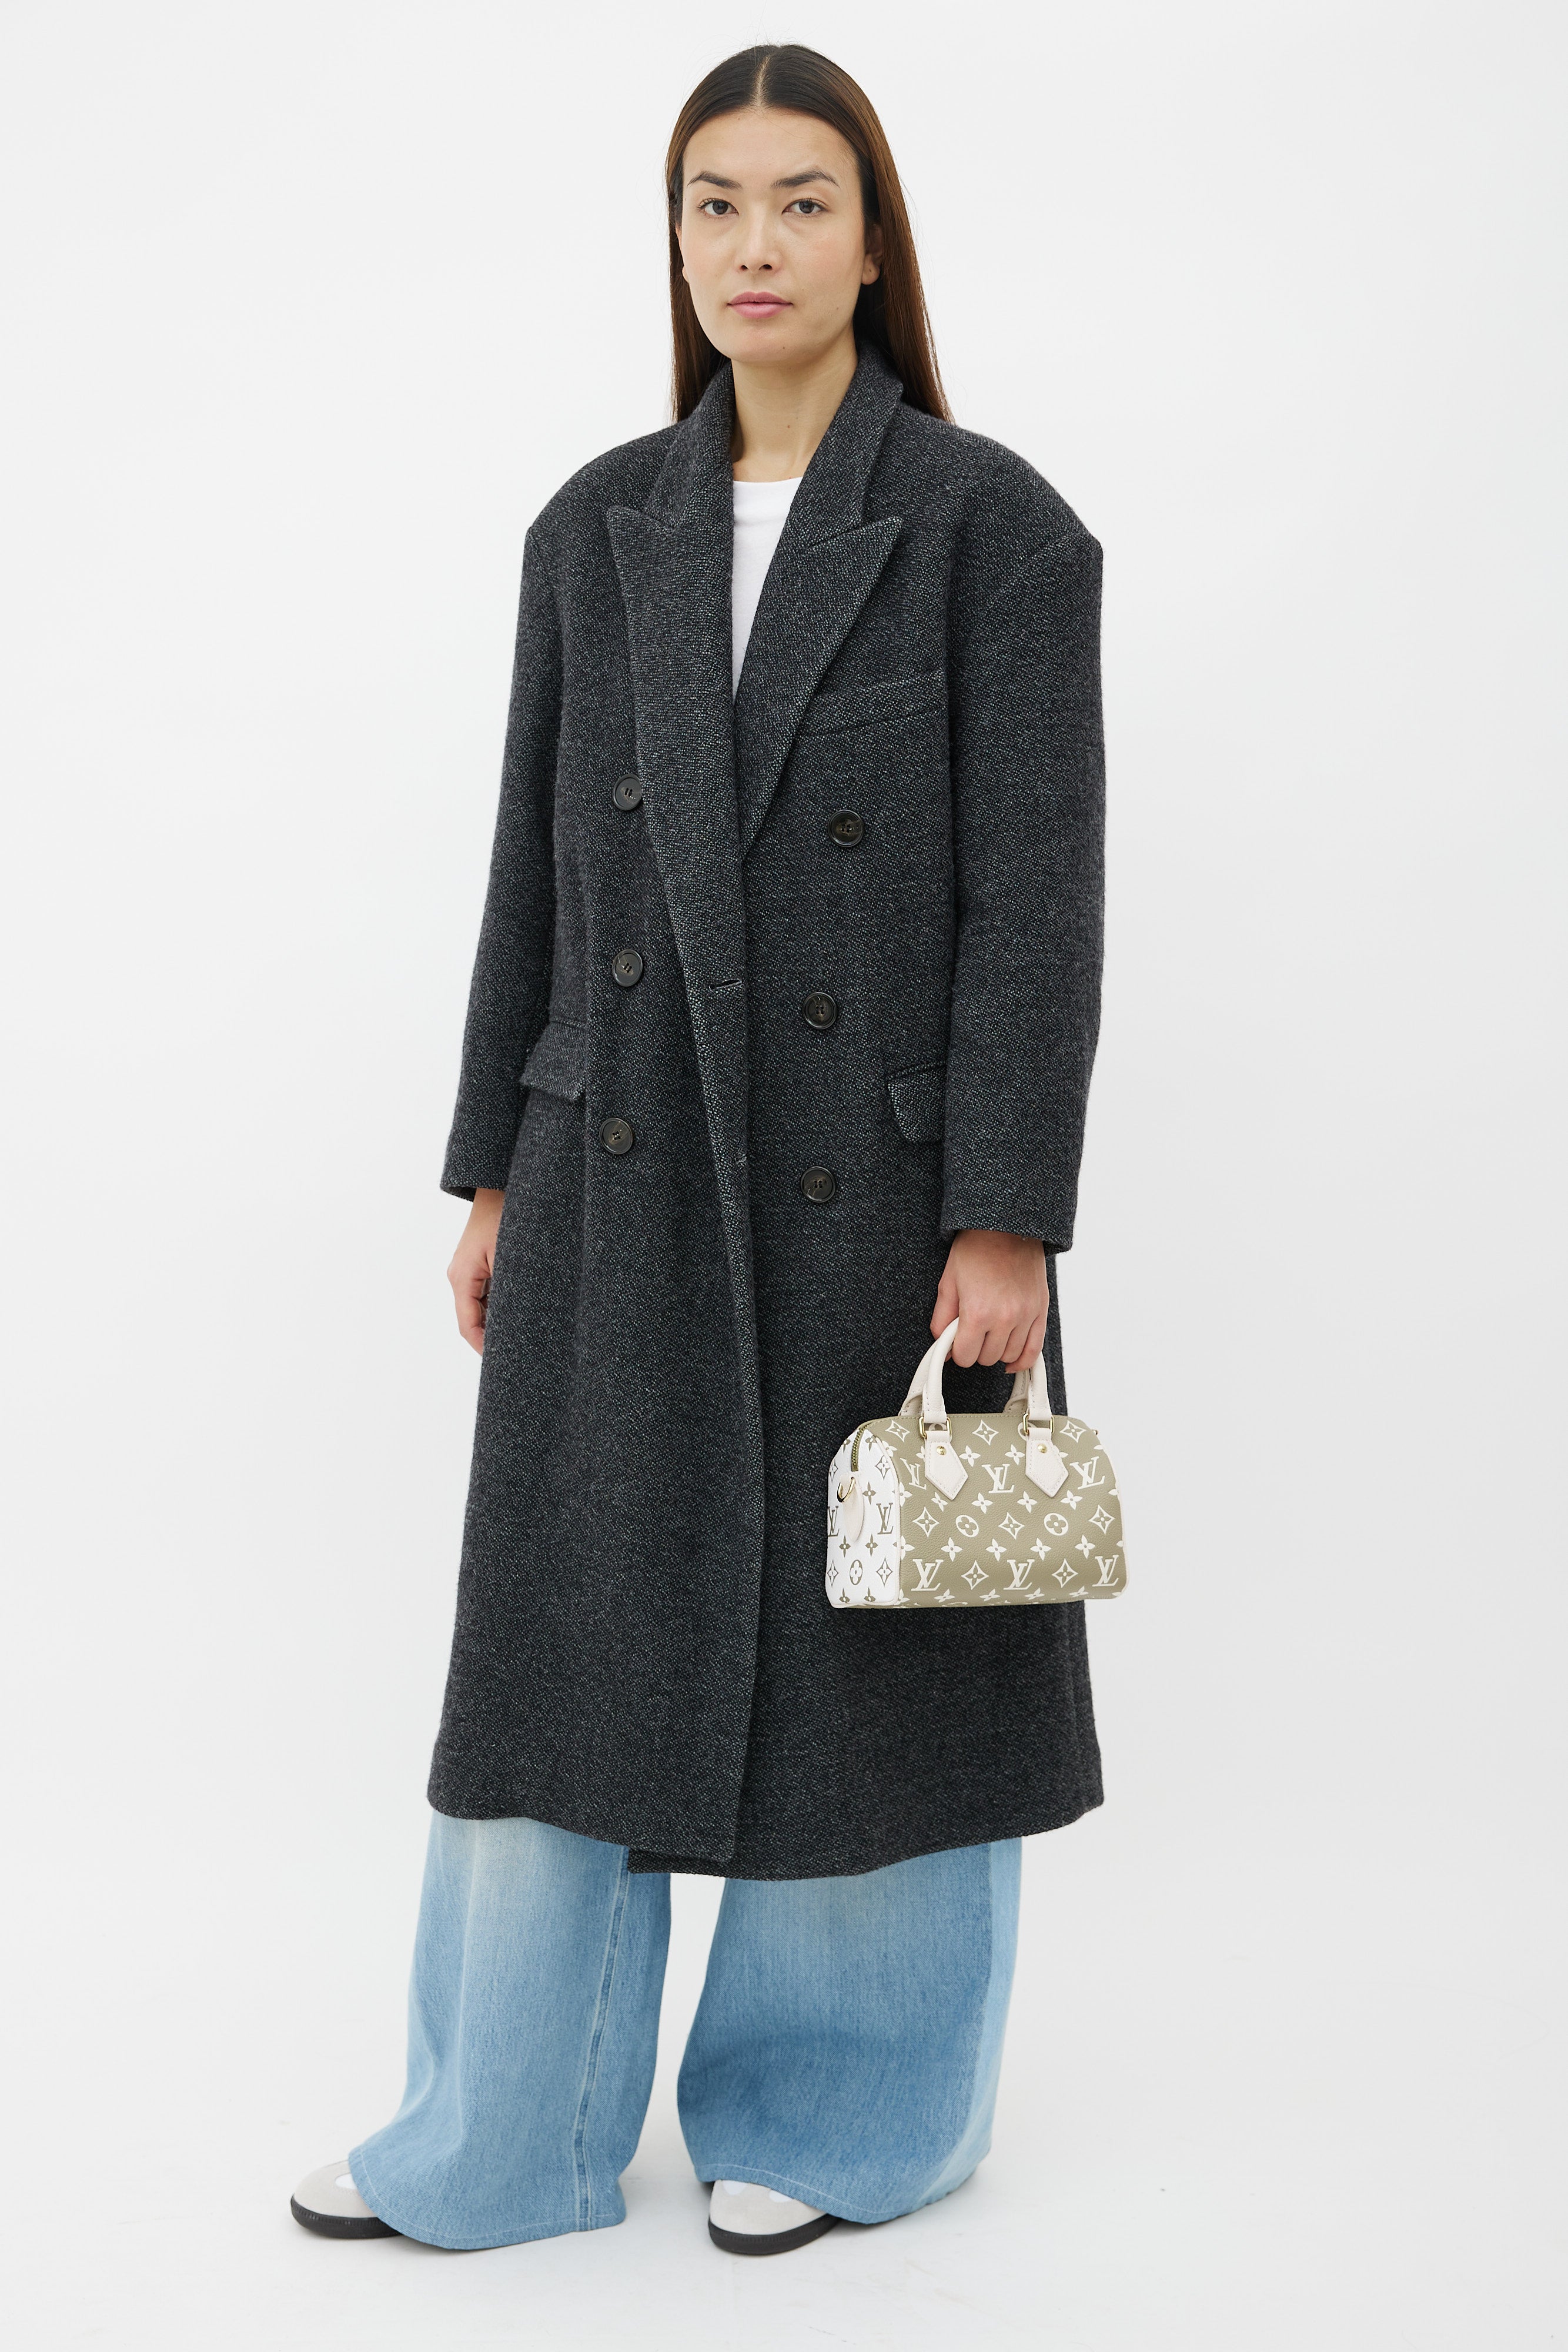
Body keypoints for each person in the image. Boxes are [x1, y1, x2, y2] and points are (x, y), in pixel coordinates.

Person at [291, 41, 1106, 2258]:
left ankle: (845, 2120)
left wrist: (1007, 1214)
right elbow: (533, 874)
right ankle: (505, 2134)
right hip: (614, 1166)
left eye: (802, 201)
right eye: (714, 203)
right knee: (556, 1651)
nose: (755, 244)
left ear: (874, 239)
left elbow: (1033, 901)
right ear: (673, 240)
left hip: (883, 1190)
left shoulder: (991, 527)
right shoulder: (597, 526)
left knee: (881, 1656)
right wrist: (494, 1163)